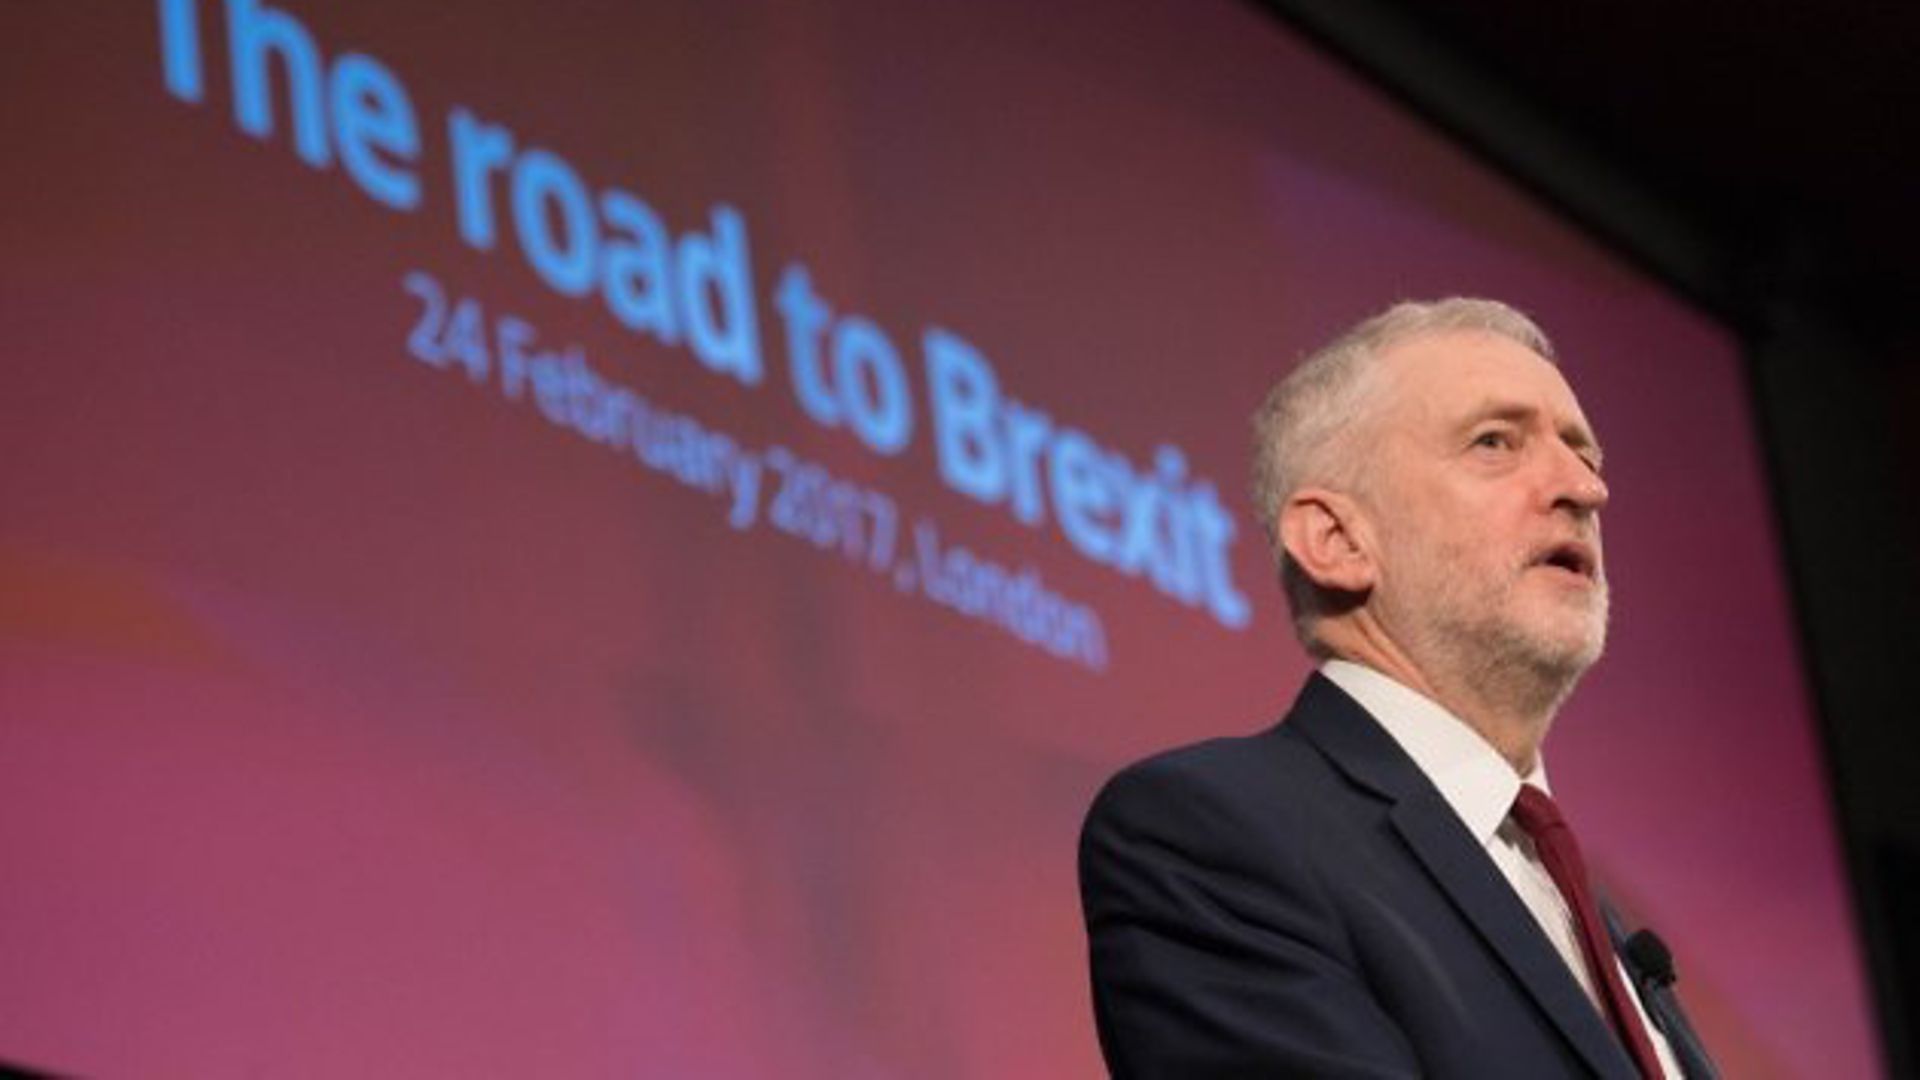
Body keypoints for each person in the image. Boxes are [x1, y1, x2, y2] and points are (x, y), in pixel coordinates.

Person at [1079, 299, 1713, 1078]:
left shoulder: (1583, 909)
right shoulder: (1211, 835)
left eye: (1584, 454)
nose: (1583, 490)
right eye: (1494, 443)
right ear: (1337, 541)